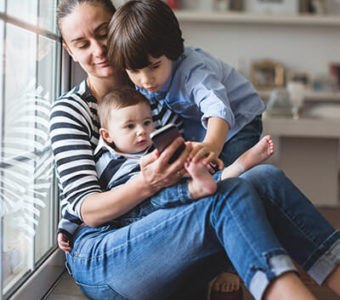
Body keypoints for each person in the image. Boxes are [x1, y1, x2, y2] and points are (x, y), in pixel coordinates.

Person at [49, 1, 340, 299]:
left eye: (104, 33)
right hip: (104, 250)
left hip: (166, 227)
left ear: (121, 27)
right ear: (69, 51)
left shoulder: (155, 94)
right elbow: (89, 211)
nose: (98, 50)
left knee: (266, 178)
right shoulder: (71, 111)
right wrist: (149, 183)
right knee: (229, 196)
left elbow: (192, 171)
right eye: (82, 43)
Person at [106, 0, 265, 293]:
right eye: (135, 71)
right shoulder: (144, 83)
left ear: (173, 52)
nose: (146, 80)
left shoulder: (194, 70)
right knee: (198, 183)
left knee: (226, 183)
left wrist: (213, 145)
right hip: (198, 128)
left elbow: (218, 109)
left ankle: (231, 265)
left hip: (239, 121)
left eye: (155, 66)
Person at [95, 87, 274, 220]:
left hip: (170, 192)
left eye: (147, 123)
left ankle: (236, 167)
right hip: (133, 210)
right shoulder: (104, 159)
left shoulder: (156, 149)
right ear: (107, 135)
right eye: (130, 126)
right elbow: (84, 200)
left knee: (183, 175)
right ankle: (220, 177)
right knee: (158, 196)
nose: (142, 131)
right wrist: (68, 228)